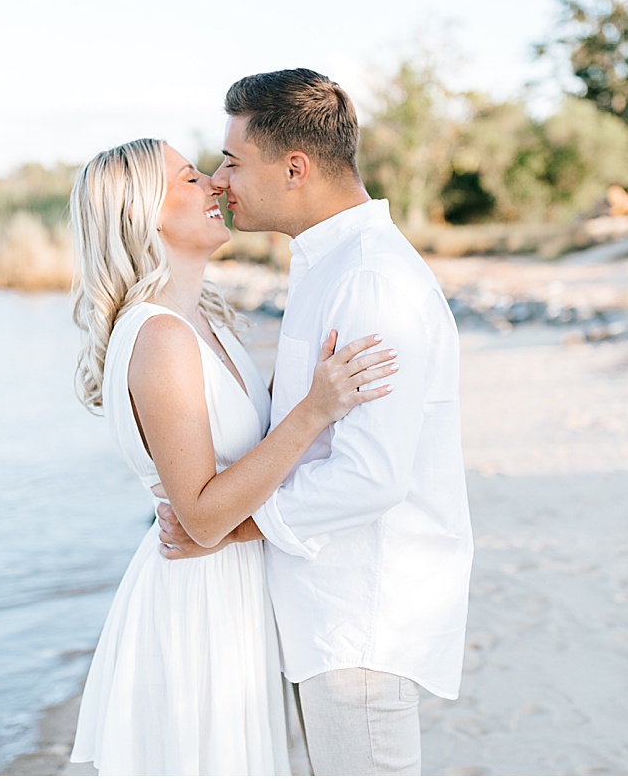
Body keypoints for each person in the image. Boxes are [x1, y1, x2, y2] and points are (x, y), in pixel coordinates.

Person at [157, 68, 474, 775]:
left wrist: (229, 524)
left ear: (294, 167)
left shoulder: (369, 281)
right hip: (323, 615)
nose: (219, 178)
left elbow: (371, 476)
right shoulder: (329, 266)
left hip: (357, 621)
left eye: (234, 160)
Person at [66, 137, 398, 775]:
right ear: (143, 217)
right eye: (189, 179)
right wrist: (314, 410)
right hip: (197, 598)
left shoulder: (198, 321)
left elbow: (240, 452)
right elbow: (202, 518)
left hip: (229, 589)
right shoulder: (161, 337)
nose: (215, 185)